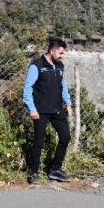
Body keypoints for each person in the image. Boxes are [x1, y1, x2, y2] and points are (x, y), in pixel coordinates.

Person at [23, 36, 73, 183]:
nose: (62, 56)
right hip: (41, 111)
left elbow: (63, 86)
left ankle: (55, 169)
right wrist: (32, 109)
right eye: (60, 53)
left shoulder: (60, 66)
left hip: (57, 109)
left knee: (65, 137)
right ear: (52, 51)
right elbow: (27, 89)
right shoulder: (36, 66)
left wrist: (68, 104)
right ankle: (34, 173)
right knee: (39, 142)